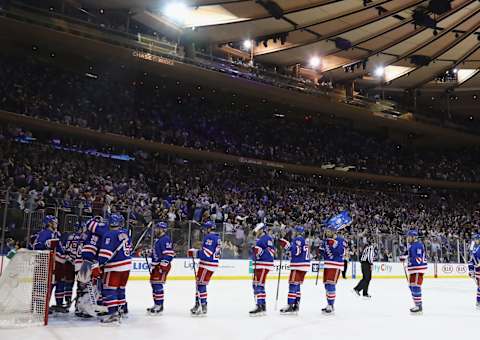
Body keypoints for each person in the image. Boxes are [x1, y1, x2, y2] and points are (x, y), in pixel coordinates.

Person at [97, 213, 132, 324]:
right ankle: (121, 310)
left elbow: (105, 253)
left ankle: (113, 315)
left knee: (109, 289)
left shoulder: (109, 234)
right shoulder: (125, 234)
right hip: (127, 266)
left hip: (114, 267)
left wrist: (99, 264)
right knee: (120, 289)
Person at [33, 215, 67, 313]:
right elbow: (36, 246)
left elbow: (59, 248)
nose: (56, 224)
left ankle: (44, 305)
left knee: (50, 284)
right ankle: (41, 306)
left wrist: (64, 253)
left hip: (51, 265)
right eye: (55, 222)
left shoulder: (54, 234)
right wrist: (45, 244)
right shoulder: (45, 233)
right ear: (49, 223)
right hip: (44, 264)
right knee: (44, 285)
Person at [188, 221, 221, 316]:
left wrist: (194, 253)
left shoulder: (209, 237)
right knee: (199, 284)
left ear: (209, 228)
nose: (204, 230)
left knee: (200, 285)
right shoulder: (217, 237)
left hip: (207, 264)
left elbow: (207, 254)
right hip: (210, 264)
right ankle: (198, 305)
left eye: (205, 228)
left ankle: (203, 306)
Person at [279, 225, 310, 315]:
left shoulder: (298, 239)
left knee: (292, 284)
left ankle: (290, 305)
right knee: (297, 285)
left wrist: (286, 246)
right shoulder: (304, 240)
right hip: (304, 265)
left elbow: (296, 251)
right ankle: (296, 305)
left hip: (298, 265)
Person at [147, 221, 176, 315]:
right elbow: (157, 252)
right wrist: (148, 253)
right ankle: (156, 304)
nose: (155, 230)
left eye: (157, 228)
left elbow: (169, 254)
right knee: (154, 284)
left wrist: (162, 265)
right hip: (157, 265)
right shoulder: (158, 239)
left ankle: (160, 306)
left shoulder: (165, 239)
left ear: (162, 229)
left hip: (161, 266)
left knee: (158, 284)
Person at [249, 223, 275, 316]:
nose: (256, 233)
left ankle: (260, 305)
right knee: (257, 284)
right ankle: (262, 305)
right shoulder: (261, 239)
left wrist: (258, 251)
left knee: (259, 284)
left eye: (257, 231)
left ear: (262, 230)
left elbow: (270, 252)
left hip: (263, 264)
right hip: (259, 264)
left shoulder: (266, 238)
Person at [321, 224, 346, 315]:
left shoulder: (340, 240)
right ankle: (329, 304)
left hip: (335, 265)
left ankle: (331, 305)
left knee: (331, 284)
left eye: (328, 231)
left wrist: (334, 244)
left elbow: (341, 252)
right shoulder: (326, 241)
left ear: (333, 232)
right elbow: (325, 254)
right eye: (326, 231)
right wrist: (321, 251)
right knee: (327, 285)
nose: (326, 233)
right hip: (327, 265)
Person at [401, 229, 427, 315]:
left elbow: (418, 259)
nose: (407, 238)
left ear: (414, 237)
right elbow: (408, 254)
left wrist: (408, 259)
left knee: (415, 286)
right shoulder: (411, 245)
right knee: (412, 286)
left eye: (409, 236)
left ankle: (419, 307)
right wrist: (404, 256)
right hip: (413, 269)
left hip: (417, 268)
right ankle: (417, 305)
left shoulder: (418, 245)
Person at [468, 233, 480, 310]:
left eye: (476, 239)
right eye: (475, 239)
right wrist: (471, 270)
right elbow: (471, 261)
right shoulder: (475, 249)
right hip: (478, 270)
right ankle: (478, 301)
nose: (475, 240)